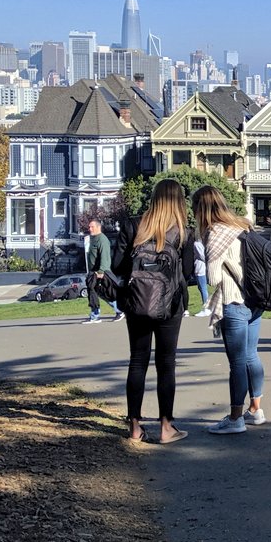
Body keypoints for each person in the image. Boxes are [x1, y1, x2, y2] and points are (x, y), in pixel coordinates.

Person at [112, 179, 194, 443]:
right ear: (179, 201)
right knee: (166, 363)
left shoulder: (133, 225)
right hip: (170, 305)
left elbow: (117, 265)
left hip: (137, 302)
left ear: (153, 198)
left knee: (137, 360)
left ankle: (135, 427)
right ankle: (166, 427)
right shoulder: (183, 232)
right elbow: (189, 273)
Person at [191, 185, 267, 434]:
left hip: (234, 301)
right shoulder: (243, 225)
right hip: (255, 299)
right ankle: (255, 409)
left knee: (236, 362)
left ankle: (236, 418)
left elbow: (212, 278)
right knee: (251, 355)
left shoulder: (216, 233)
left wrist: (209, 256)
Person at [84, 217, 118, 324]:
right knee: (98, 292)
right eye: (89, 227)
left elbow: (105, 256)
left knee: (99, 291)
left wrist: (101, 271)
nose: (90, 228)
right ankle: (117, 310)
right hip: (93, 271)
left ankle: (96, 315)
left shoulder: (102, 239)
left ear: (98, 227)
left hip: (100, 271)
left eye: (92, 227)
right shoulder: (92, 238)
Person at [193, 235, 209, 315]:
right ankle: (206, 306)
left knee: (203, 288)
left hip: (200, 269)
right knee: (201, 288)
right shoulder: (202, 243)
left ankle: (206, 308)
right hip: (201, 268)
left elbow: (202, 256)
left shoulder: (197, 244)